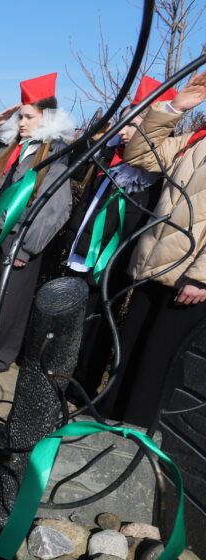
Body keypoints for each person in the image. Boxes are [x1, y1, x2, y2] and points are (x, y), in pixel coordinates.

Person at [99, 71, 206, 426]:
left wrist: (202, 277)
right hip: (153, 264)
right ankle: (108, 424)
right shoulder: (195, 140)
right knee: (129, 353)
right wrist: (176, 107)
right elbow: (142, 155)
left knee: (157, 365)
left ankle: (138, 438)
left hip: (189, 279)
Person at [62, 76, 171, 402]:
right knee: (72, 323)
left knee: (97, 329)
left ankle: (82, 388)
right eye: (123, 122)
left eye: (132, 123)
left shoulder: (154, 174)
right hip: (82, 253)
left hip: (113, 260)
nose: (123, 130)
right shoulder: (107, 156)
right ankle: (60, 376)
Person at [0, 73, 74, 372]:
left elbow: (55, 206)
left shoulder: (55, 153)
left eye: (29, 117)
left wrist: (27, 247)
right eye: (20, 117)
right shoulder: (10, 147)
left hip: (19, 237)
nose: (22, 123)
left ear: (47, 117)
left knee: (11, 300)